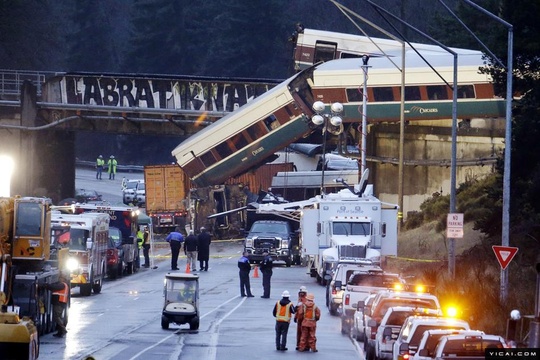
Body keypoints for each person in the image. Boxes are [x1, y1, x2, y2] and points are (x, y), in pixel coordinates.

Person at [294, 286, 308, 350]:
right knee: (301, 332)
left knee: (303, 332)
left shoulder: (304, 300)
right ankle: (301, 345)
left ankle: (302, 345)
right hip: (301, 319)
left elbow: (299, 310)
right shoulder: (300, 299)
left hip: (303, 319)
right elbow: (297, 310)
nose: (301, 294)